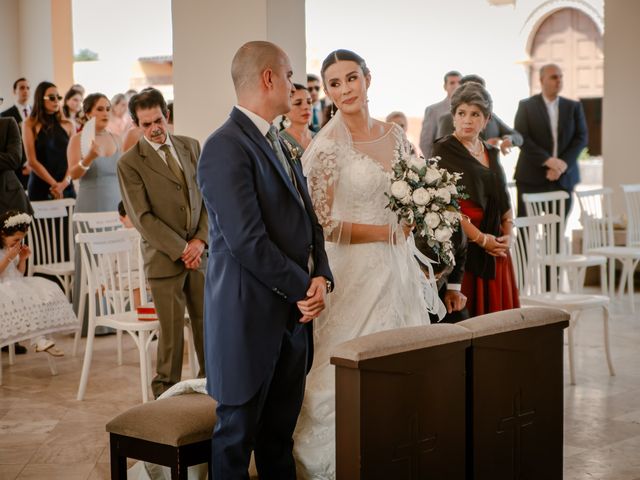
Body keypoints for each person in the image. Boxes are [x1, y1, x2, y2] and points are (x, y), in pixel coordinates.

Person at [295, 49, 442, 478]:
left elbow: (417, 183)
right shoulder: (327, 147)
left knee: (405, 352)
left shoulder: (395, 134)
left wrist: (420, 210)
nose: (345, 90)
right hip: (355, 268)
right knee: (350, 362)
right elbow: (320, 222)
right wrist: (383, 233)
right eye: (335, 84)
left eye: (351, 79)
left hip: (399, 266)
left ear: (368, 79)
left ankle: (401, 442)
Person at [197, 41, 333, 479]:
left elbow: (309, 219)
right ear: (269, 78)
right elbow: (246, 241)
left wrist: (321, 276)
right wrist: (302, 288)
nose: (295, 86)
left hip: (292, 319)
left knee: (279, 438)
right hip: (247, 319)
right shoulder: (224, 146)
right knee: (236, 440)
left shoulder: (280, 140)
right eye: (290, 76)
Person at [117, 87, 207, 398]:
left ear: (166, 115)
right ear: (135, 124)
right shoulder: (129, 163)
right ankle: (165, 396)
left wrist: (200, 241)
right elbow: (142, 218)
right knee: (170, 338)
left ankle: (211, 388)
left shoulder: (191, 146)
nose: (155, 129)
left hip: (201, 254)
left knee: (207, 326)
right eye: (146, 124)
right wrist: (183, 249)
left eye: (158, 120)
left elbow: (207, 197)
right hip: (163, 258)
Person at [433, 81, 519, 317]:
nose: (467, 120)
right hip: (465, 248)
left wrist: (509, 235)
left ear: (487, 119)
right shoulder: (443, 150)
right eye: (461, 113)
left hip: (497, 250)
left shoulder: (491, 152)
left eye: (475, 114)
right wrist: (481, 239)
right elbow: (445, 206)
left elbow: (504, 199)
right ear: (453, 117)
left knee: (499, 322)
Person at [66, 93, 122, 334]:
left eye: (108, 108)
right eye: (100, 108)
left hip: (115, 206)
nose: (105, 112)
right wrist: (89, 156)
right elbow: (73, 174)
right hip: (90, 206)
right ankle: (89, 321)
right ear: (88, 112)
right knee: (92, 261)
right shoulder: (78, 139)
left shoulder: (117, 138)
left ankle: (118, 318)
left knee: (115, 261)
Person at [513, 64, 588, 218]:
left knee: (556, 234)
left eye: (561, 77)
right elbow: (521, 138)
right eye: (554, 77)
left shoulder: (573, 107)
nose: (559, 80)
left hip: (563, 180)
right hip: (530, 178)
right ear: (541, 80)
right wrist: (548, 161)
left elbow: (581, 137)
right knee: (526, 234)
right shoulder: (526, 106)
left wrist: (562, 165)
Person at [0, 210, 71, 356]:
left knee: (43, 294)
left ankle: (42, 338)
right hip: (3, 291)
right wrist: (8, 257)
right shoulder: (3, 252)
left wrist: (23, 259)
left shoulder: (11, 249)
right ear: (2, 234)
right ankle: (39, 339)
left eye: (21, 240)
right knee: (25, 297)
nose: (18, 243)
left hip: (15, 286)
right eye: (15, 240)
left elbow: (18, 274)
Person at [437, 74, 523, 156]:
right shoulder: (447, 119)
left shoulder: (492, 118)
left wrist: (508, 140)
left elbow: (517, 136)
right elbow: (444, 151)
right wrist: (483, 147)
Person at [22, 81, 75, 201]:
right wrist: (55, 185)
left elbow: (74, 159)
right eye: (51, 97)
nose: (56, 100)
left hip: (66, 186)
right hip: (40, 186)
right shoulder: (29, 124)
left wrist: (64, 184)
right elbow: (32, 161)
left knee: (69, 220)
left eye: (58, 97)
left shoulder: (68, 125)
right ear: (40, 99)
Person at [414, 228, 469, 323]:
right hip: (409, 290)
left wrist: (453, 288)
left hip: (442, 288)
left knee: (460, 319)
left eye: (438, 276)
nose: (434, 280)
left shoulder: (457, 235)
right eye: (428, 276)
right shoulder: (403, 240)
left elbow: (461, 252)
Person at [419, 70, 461, 158]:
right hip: (442, 164)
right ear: (445, 86)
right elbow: (425, 142)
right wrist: (435, 164)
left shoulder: (470, 111)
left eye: (459, 83)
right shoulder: (433, 110)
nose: (456, 86)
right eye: (452, 83)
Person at [1, 78, 32, 188]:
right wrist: (25, 163)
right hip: (18, 168)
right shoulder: (5, 115)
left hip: (38, 168)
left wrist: (33, 163)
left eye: (28, 88)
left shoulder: (37, 114)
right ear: (15, 91)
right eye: (22, 88)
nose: (25, 91)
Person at [280, 83, 314, 160]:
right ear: (285, 110)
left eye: (309, 102)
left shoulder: (319, 137)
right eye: (298, 103)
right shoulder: (280, 141)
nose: (306, 107)